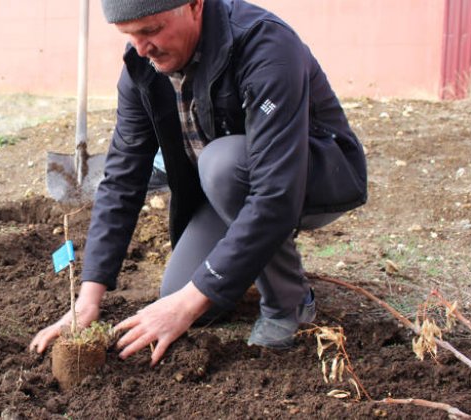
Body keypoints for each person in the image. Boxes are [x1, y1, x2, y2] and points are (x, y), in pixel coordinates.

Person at [30, 0, 367, 366]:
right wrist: (87, 299)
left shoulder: (265, 45)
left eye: (151, 30)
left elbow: (276, 192)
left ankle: (289, 303)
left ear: (194, 5)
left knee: (221, 166)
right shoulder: (141, 66)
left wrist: (191, 301)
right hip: (231, 186)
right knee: (179, 293)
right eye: (129, 35)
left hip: (313, 176)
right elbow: (122, 179)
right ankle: (248, 259)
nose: (143, 48)